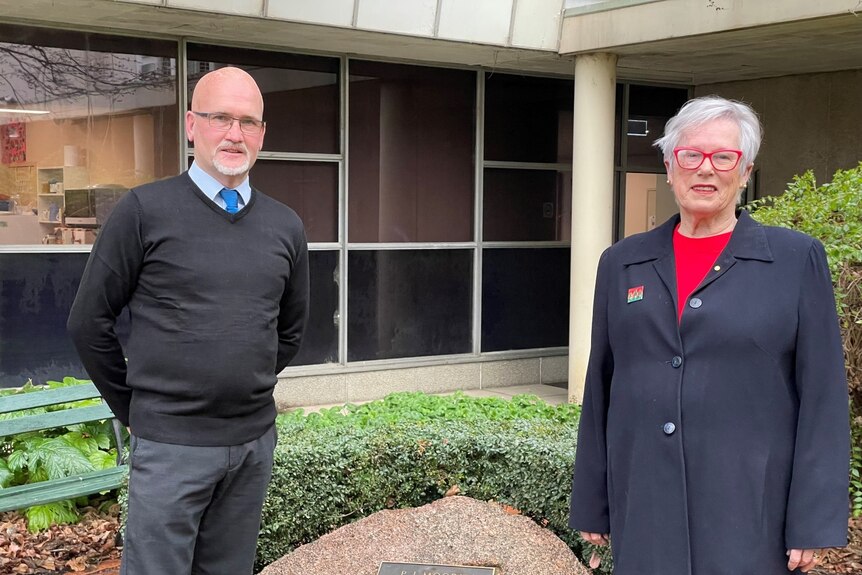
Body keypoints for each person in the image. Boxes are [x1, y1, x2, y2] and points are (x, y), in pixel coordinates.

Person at [568, 95, 849, 574]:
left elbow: (823, 394)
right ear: (669, 164)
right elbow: (602, 386)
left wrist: (814, 519)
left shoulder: (795, 260)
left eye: (724, 157)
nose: (706, 169)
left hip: (751, 508)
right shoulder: (622, 263)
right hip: (647, 505)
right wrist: (592, 499)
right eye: (690, 155)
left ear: (745, 171)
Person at [67, 66, 309, 575]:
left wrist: (240, 384)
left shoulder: (286, 226)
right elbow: (89, 322)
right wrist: (137, 408)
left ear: (262, 134)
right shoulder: (143, 211)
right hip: (169, 446)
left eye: (248, 122)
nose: (234, 133)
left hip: (250, 447)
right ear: (192, 125)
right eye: (220, 117)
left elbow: (288, 332)